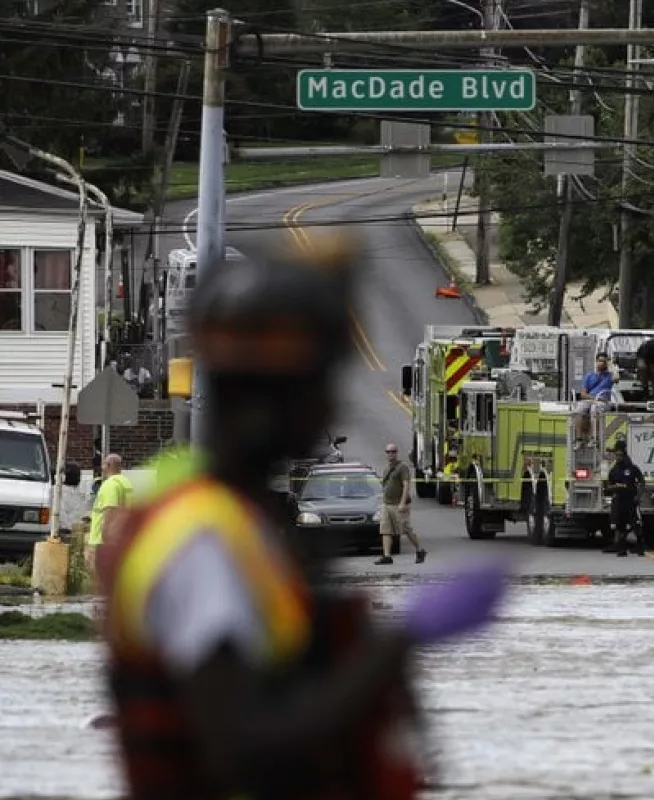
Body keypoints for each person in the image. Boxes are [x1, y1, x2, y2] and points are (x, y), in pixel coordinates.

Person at [95, 232, 510, 800]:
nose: (331, 409)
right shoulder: (203, 542)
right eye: (319, 388)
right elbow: (243, 750)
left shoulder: (226, 517)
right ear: (268, 398)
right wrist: (400, 644)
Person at [377, 443, 426, 566]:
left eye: (393, 451)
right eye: (388, 452)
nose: (391, 454)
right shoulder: (387, 468)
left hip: (398, 505)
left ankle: (420, 550)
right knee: (385, 530)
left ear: (396, 453)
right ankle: (387, 556)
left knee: (406, 529)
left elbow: (406, 485)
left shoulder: (402, 467)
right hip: (387, 504)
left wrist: (403, 503)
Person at [87, 453, 131, 582]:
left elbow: (109, 510)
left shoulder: (110, 485)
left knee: (94, 566)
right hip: (121, 534)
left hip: (101, 538)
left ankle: (100, 596)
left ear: (109, 465)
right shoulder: (125, 482)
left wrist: (105, 535)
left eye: (104, 464)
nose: (102, 467)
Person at [605, 438, 645, 557]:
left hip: (631, 500)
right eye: (616, 455)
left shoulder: (632, 468)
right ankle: (622, 549)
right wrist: (614, 488)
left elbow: (642, 481)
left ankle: (640, 547)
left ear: (624, 454)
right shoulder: (614, 470)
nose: (618, 457)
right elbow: (608, 485)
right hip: (620, 500)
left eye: (620, 455)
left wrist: (638, 496)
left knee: (636, 524)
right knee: (620, 525)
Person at [576, 352, 614, 446]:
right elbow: (583, 394)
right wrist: (595, 398)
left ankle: (594, 438)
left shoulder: (610, 376)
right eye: (600, 361)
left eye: (604, 361)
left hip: (603, 402)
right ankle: (579, 439)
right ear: (596, 361)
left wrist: (611, 363)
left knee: (595, 409)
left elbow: (617, 377)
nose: (602, 363)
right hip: (593, 399)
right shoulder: (589, 375)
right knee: (579, 409)